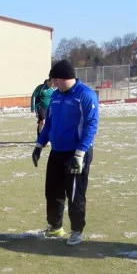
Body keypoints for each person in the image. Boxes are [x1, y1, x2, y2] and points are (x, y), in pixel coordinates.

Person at [31, 60, 99, 246]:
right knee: (52, 191)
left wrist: (80, 154)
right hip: (57, 152)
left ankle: (76, 231)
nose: (53, 84)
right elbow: (49, 123)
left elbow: (91, 126)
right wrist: (39, 145)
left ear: (63, 78)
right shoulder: (55, 96)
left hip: (76, 154)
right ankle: (55, 227)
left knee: (75, 193)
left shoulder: (85, 95)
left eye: (55, 80)